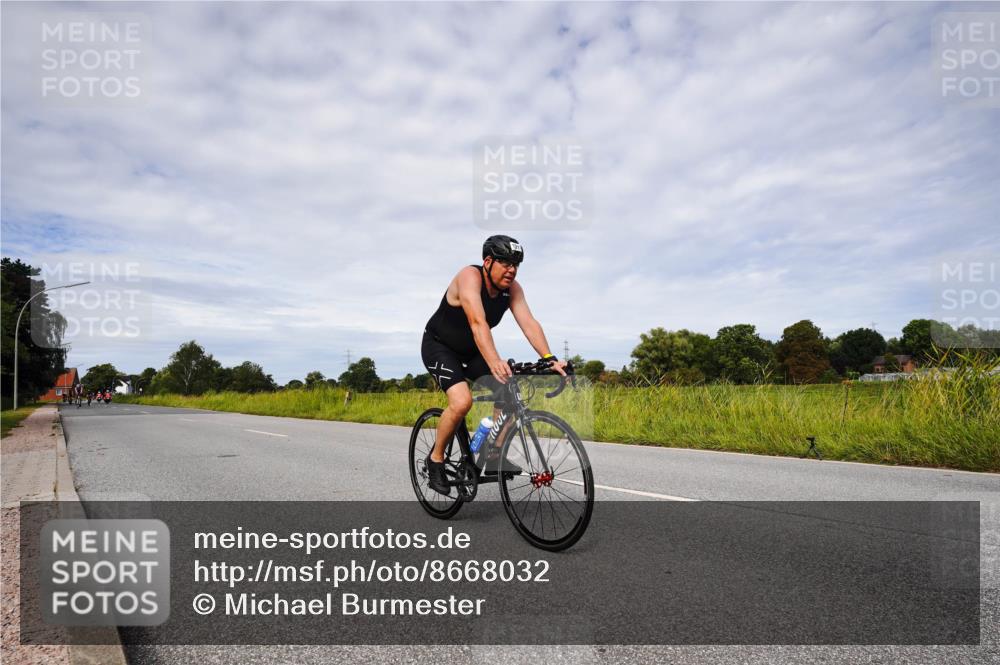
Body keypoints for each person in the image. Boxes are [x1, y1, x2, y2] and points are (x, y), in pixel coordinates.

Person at [420, 235, 566, 496]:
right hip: (440, 347)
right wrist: (495, 361)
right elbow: (478, 322)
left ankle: (493, 454)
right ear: (487, 261)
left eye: (516, 264)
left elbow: (529, 323)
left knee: (509, 393)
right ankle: (436, 459)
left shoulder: (513, 290)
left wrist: (548, 358)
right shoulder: (469, 277)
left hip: (473, 350)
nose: (512, 269)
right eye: (506, 263)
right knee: (462, 402)